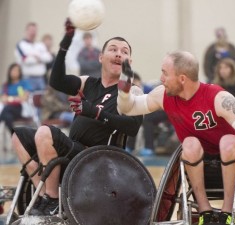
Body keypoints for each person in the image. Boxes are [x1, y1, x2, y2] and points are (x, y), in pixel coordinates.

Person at [117, 51, 235, 225]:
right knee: (190, 143)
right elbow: (129, 108)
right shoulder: (162, 95)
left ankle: (228, 213)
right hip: (196, 163)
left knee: (228, 141)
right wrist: (124, 91)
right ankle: (205, 212)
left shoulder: (219, 98)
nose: (161, 78)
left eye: (165, 73)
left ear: (182, 78)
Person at [12, 19, 143, 216]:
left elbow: (132, 127)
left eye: (125, 52)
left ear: (129, 62)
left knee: (45, 132)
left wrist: (95, 112)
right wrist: (66, 43)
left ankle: (52, 200)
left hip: (99, 157)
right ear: (100, 57)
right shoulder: (88, 83)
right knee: (19, 136)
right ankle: (44, 195)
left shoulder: (132, 90)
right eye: (113, 49)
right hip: (74, 149)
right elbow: (56, 81)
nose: (119, 53)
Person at [14, 22, 53, 91]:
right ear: (26, 31)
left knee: (41, 100)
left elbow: (49, 58)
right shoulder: (20, 45)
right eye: (31, 30)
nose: (33, 33)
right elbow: (25, 60)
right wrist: (39, 58)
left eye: (35, 31)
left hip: (41, 78)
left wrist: (36, 56)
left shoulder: (40, 45)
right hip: (27, 78)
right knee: (29, 99)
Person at [0, 63, 32, 134]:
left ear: (20, 72)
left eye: (17, 70)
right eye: (13, 70)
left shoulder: (24, 83)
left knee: (7, 109)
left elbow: (23, 98)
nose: (14, 72)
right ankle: (14, 135)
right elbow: (3, 98)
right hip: (8, 110)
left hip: (20, 108)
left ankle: (13, 135)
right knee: (8, 116)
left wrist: (10, 99)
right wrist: (15, 98)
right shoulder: (6, 85)